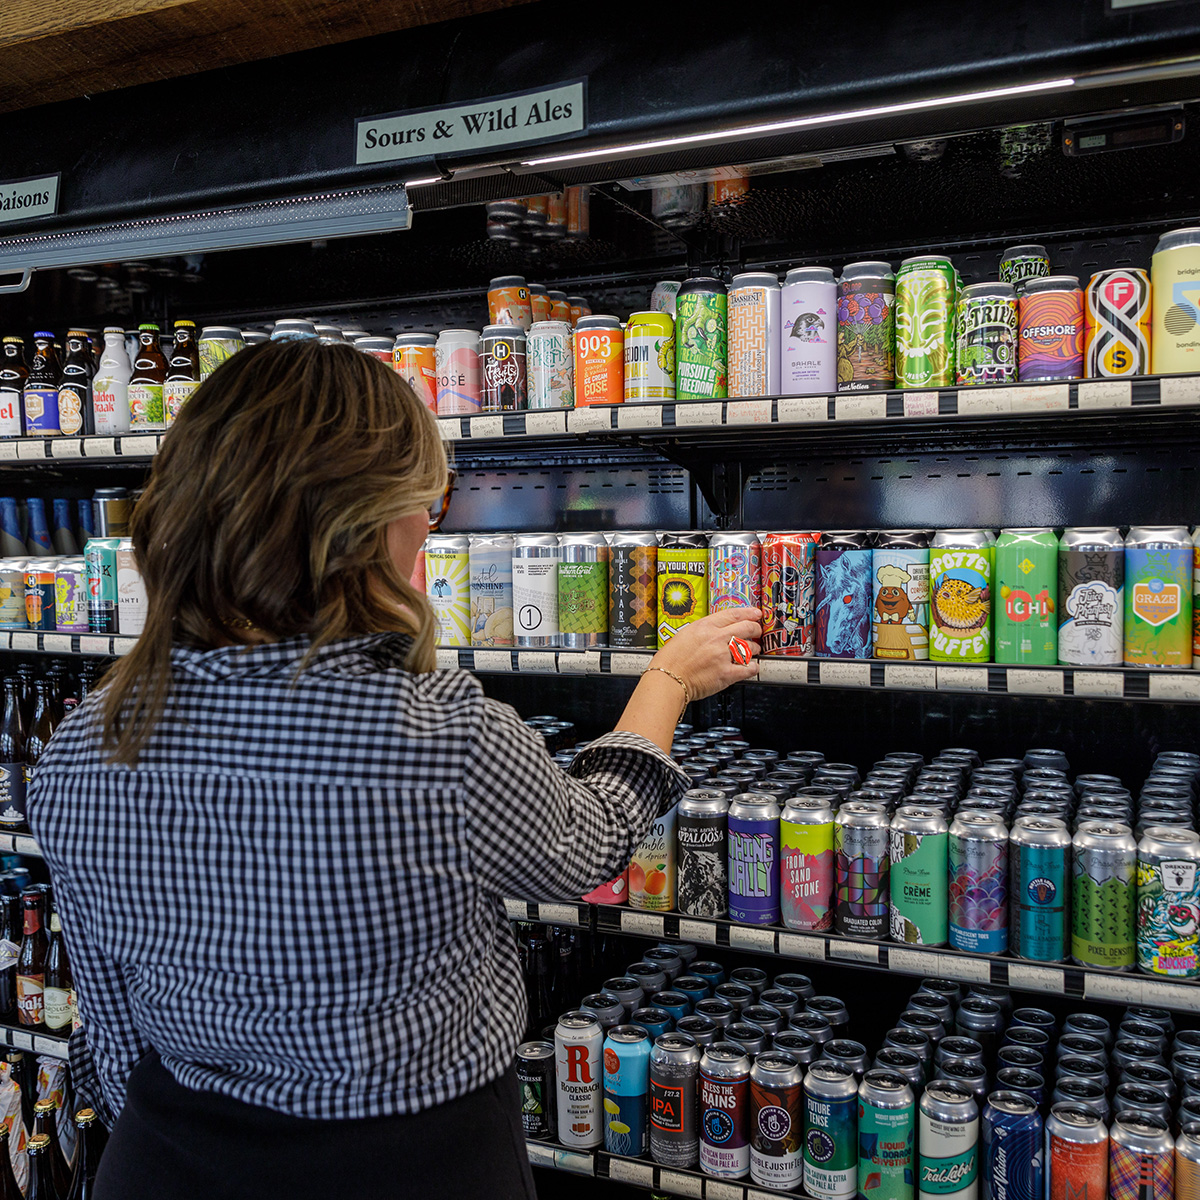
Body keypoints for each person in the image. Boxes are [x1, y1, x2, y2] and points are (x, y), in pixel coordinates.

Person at [28, 341, 761, 1199]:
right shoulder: (437, 733)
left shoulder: (83, 744)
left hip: (171, 1157)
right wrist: (669, 679)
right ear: (368, 522)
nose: (429, 527)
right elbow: (589, 844)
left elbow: (111, 1035)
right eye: (431, 503)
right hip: (414, 1163)